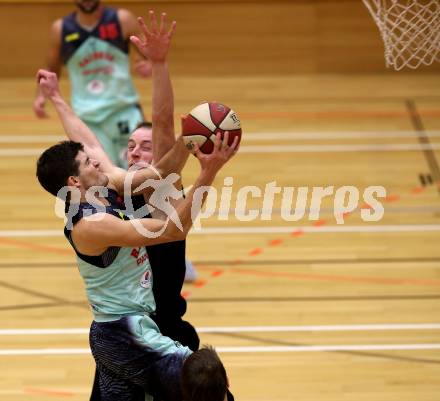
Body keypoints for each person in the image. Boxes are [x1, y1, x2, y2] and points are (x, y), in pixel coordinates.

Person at [36, 11, 238, 401]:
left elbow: (155, 132)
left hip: (157, 325)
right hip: (126, 332)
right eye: (130, 146)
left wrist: (59, 98)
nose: (135, 150)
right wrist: (206, 170)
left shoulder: (156, 189)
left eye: (145, 146)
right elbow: (100, 151)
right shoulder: (103, 202)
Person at [33, 0, 152, 168]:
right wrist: (40, 96)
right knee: (103, 179)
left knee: (141, 173)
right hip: (88, 118)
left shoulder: (122, 20)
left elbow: (150, 53)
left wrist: (150, 65)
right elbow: (51, 69)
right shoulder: (60, 29)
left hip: (123, 110)